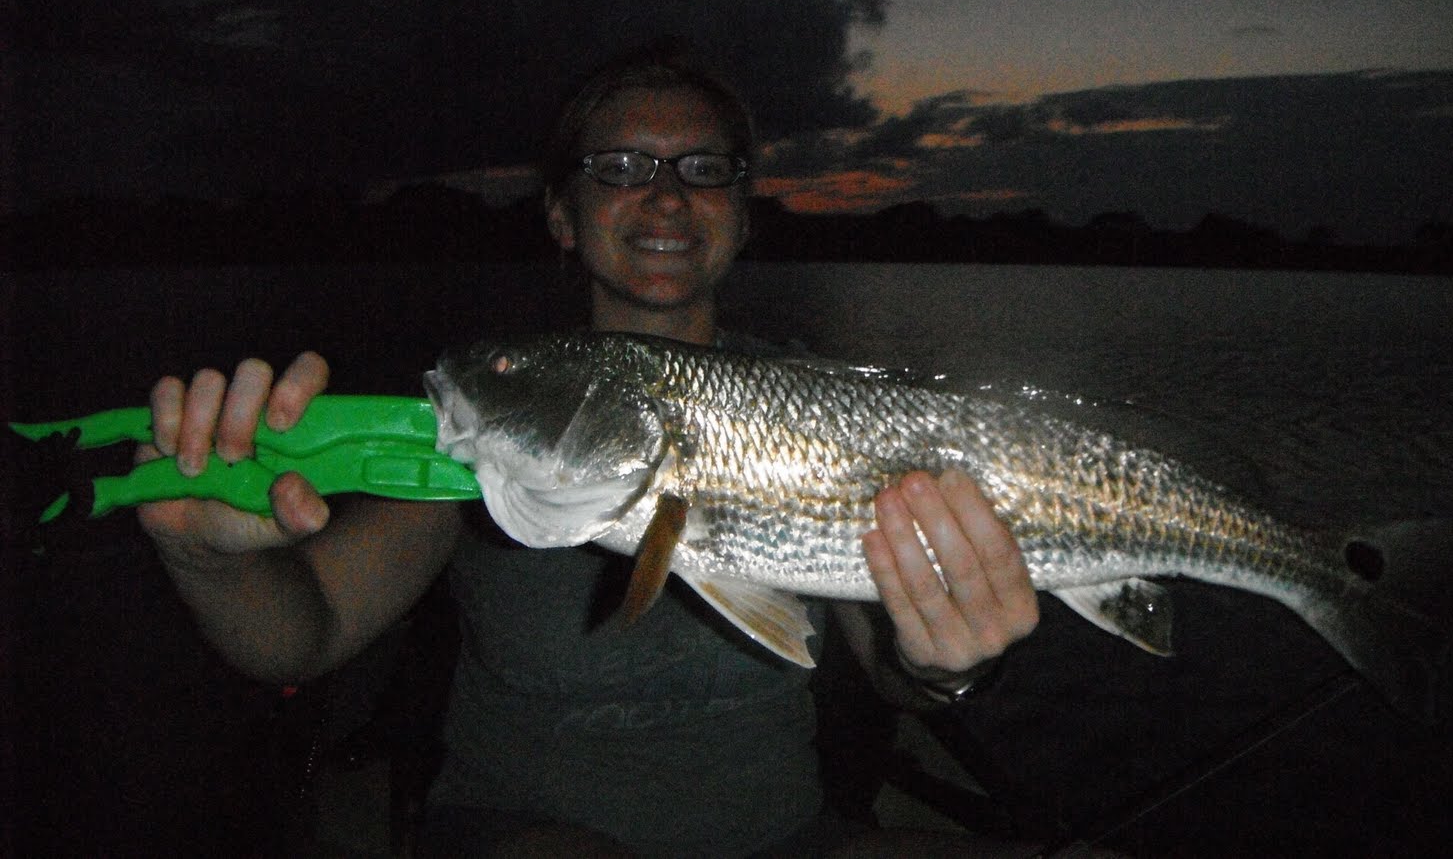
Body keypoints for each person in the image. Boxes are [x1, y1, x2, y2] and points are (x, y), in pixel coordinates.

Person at [135, 44, 1041, 857]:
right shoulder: (500, 415)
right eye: (621, 167)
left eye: (704, 168)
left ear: (742, 215)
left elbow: (895, 673)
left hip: (791, 836)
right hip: (520, 832)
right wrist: (208, 559)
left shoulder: (830, 414)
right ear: (563, 215)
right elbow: (309, 629)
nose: (668, 195)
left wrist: (946, 664)